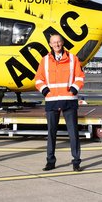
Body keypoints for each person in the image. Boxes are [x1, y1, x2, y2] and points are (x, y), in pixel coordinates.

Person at [35, 34, 85, 172]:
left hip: (69, 100)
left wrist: (73, 90)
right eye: (53, 42)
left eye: (58, 42)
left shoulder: (72, 58)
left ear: (62, 43)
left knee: (73, 132)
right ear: (50, 44)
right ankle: (50, 161)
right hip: (51, 100)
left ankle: (76, 161)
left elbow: (80, 77)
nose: (56, 44)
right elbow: (38, 79)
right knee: (51, 133)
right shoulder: (44, 60)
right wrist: (45, 91)